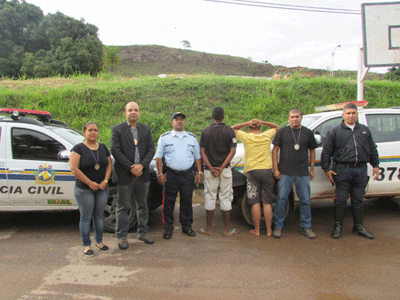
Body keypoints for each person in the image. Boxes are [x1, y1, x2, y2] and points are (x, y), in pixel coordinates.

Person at [321, 103, 379, 239]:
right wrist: (327, 169)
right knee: (340, 200)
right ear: (343, 115)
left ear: (357, 114)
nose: (351, 115)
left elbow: (372, 148)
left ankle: (358, 227)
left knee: (359, 200)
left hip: (360, 170)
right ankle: (337, 227)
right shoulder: (335, 131)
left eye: (353, 113)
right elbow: (326, 152)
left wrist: (375, 165)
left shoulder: (364, 130)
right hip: (342, 170)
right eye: (348, 113)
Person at [111, 102, 155, 250]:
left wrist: (141, 165)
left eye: (136, 110)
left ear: (139, 112)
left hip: (142, 174)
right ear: (125, 113)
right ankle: (122, 236)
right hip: (125, 175)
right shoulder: (117, 129)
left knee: (142, 206)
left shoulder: (145, 129)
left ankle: (143, 232)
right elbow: (115, 151)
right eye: (130, 110)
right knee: (123, 207)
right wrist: (131, 168)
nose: (133, 112)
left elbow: (151, 149)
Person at [156, 112, 202, 240]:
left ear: (185, 122)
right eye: (176, 120)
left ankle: (187, 226)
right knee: (168, 202)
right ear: (172, 123)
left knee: (187, 201)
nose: (179, 121)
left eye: (182, 119)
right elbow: (159, 158)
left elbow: (197, 157)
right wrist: (160, 174)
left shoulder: (192, 138)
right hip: (171, 175)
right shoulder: (165, 138)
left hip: (187, 174)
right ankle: (168, 228)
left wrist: (199, 172)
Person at [272, 109, 318, 239]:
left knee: (305, 200)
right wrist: (276, 169)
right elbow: (275, 150)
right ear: (288, 119)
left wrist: (312, 169)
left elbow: (312, 151)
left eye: (297, 117)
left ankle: (306, 227)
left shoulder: (308, 133)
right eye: (292, 117)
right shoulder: (282, 132)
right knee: (281, 199)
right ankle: (278, 226)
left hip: (302, 172)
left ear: (301, 118)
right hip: (285, 172)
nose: (294, 119)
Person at [70, 122, 112, 256]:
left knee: (99, 217)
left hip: (102, 188)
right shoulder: (78, 148)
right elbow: (74, 169)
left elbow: (109, 165)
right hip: (84, 189)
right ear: (84, 132)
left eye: (95, 130)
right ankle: (86, 245)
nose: (93, 132)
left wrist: (105, 181)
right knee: (86, 217)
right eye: (90, 130)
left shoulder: (103, 147)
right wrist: (90, 183)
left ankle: (99, 242)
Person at [232, 118, 278, 237]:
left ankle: (257, 230)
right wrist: (263, 122)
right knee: (267, 202)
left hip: (252, 172)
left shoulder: (247, 137)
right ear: (260, 128)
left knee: (254, 202)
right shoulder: (267, 136)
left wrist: (247, 123)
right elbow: (276, 127)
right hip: (267, 171)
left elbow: (233, 128)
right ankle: (269, 231)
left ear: (249, 129)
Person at [199, 107, 237, 236]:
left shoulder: (206, 131)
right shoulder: (229, 131)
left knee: (210, 195)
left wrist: (210, 167)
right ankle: (227, 229)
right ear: (223, 116)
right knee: (226, 196)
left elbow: (202, 151)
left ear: (211, 116)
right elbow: (233, 150)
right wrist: (221, 167)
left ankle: (208, 229)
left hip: (210, 171)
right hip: (225, 170)